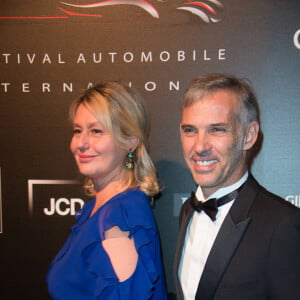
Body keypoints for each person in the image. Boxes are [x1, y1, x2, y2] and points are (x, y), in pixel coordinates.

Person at [174, 73, 300, 300]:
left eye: (217, 130)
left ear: (249, 135)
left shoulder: (282, 225)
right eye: (190, 130)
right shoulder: (187, 212)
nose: (200, 146)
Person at [47, 81, 167, 299]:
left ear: (130, 140)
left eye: (96, 131)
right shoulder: (96, 209)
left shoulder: (119, 215)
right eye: (77, 130)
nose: (81, 143)